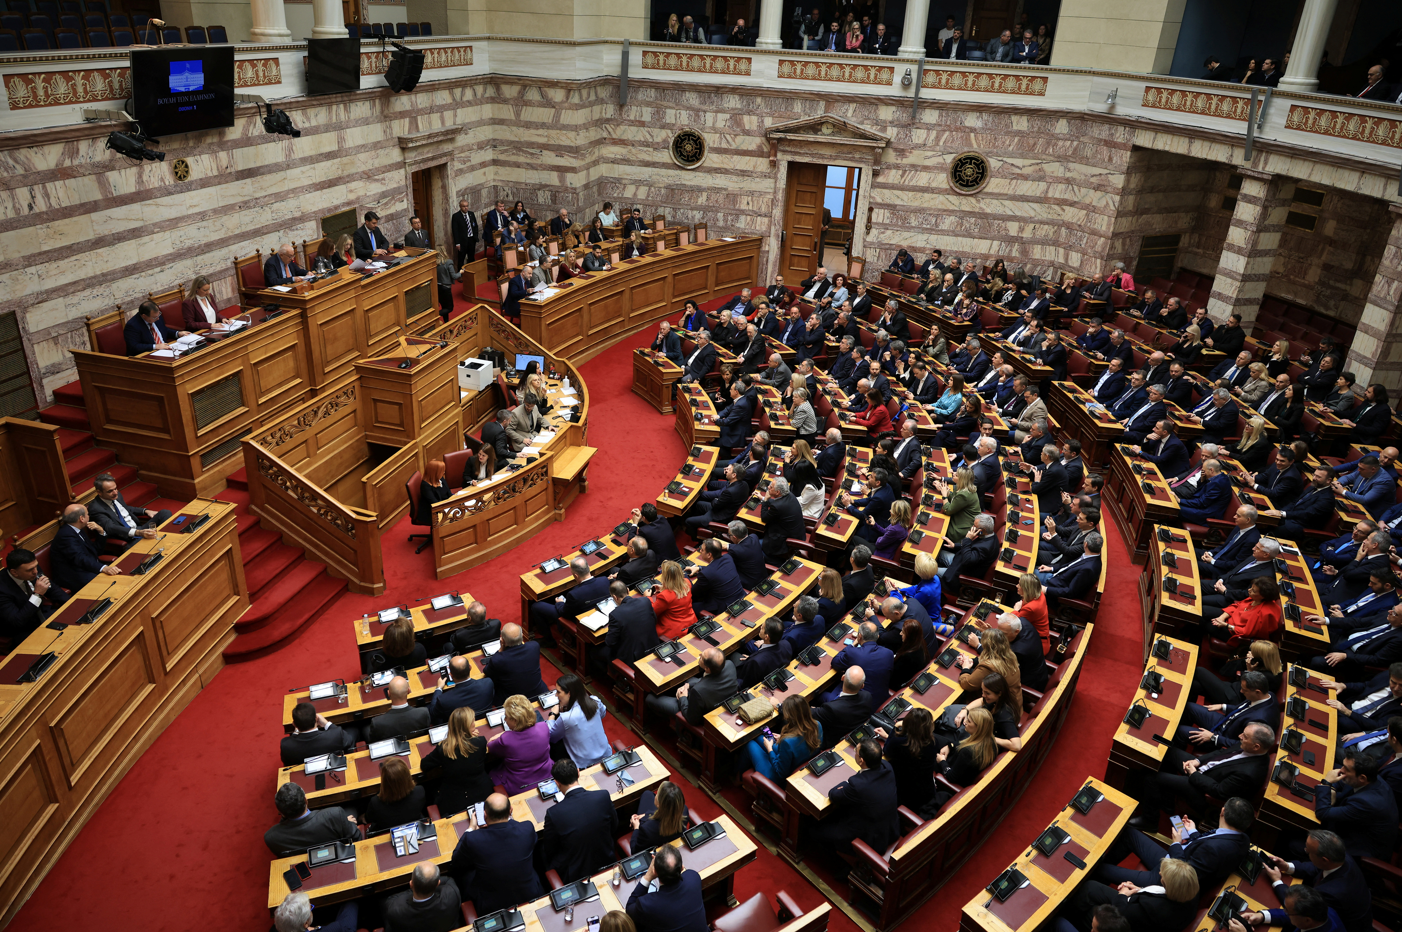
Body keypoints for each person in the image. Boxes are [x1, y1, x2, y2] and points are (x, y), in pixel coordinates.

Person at [1097, 795, 1254, 890]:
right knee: (1129, 833)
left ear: (1222, 811)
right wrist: (1193, 832)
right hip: (1174, 858)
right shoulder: (1243, 838)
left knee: (1098, 868)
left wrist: (1177, 843)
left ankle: (1098, 876)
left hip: (1167, 878)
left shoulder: (1214, 849)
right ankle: (1103, 877)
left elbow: (1183, 875)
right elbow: (1202, 852)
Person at [447, 791, 543, 914]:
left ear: (484, 815)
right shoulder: (526, 828)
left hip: (490, 904)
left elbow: (456, 862)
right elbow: (534, 842)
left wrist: (471, 828)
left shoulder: (473, 839)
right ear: (510, 811)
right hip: (529, 893)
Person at [810, 737, 901, 854]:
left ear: (861, 760)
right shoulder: (886, 767)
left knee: (814, 829)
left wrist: (845, 784)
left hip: (869, 839)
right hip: (890, 829)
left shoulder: (858, 786)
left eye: (856, 752)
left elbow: (833, 795)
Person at [539, 756, 617, 882]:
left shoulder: (553, 813)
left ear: (556, 783)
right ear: (578, 772)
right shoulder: (602, 796)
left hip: (575, 873)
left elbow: (550, 849)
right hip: (607, 858)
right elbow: (614, 826)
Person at [1314, 749, 1398, 859]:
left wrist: (1326, 784)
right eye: (1343, 765)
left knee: (1295, 843)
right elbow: (1341, 783)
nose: (1341, 771)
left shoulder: (1367, 803)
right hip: (1351, 826)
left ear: (1362, 778)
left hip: (1354, 850)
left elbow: (1322, 813)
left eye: (1346, 769)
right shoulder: (1370, 778)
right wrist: (1333, 789)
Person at [420, 705, 492, 815]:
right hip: (482, 793)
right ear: (468, 725)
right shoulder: (480, 742)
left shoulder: (444, 748)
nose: (475, 723)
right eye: (473, 721)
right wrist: (471, 738)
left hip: (453, 799)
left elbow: (424, 764)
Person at [626, 844, 708, 932]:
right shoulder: (693, 877)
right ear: (682, 867)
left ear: (654, 871)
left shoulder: (648, 904)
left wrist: (648, 877)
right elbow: (686, 875)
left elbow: (630, 908)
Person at [645, 646, 737, 725]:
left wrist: (683, 697)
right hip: (716, 699)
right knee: (688, 680)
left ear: (707, 668)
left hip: (701, 715)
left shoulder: (698, 691)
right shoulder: (729, 665)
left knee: (650, 698)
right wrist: (688, 685)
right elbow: (708, 680)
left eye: (702, 657)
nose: (700, 655)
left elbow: (692, 719)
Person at [263, 782, 359, 855]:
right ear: (306, 800)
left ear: (281, 812)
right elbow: (357, 837)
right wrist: (346, 823)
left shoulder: (271, 837)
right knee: (352, 808)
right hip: (339, 854)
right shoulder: (335, 814)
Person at [743, 693, 823, 781]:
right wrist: (783, 737)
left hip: (779, 775)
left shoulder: (787, 742)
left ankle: (737, 777)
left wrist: (770, 749)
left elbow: (780, 772)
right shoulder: (817, 724)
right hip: (798, 762)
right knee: (759, 738)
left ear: (789, 716)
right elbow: (800, 740)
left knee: (750, 743)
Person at [875, 706, 938, 813]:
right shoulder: (932, 741)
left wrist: (895, 729)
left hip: (905, 794)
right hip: (927, 790)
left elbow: (887, 750)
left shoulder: (900, 742)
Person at [485, 694, 551, 794]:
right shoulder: (544, 727)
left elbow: (490, 746)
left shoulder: (506, 739)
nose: (505, 720)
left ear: (515, 720)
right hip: (546, 775)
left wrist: (502, 733)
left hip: (519, 784)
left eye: (506, 717)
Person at [49, 503, 122, 593]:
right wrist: (103, 568)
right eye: (87, 514)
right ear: (81, 518)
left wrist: (101, 531)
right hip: (74, 575)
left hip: (86, 568)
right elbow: (80, 559)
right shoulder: (65, 536)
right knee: (111, 587)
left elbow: (95, 551)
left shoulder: (78, 530)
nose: (89, 516)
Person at [547, 673, 610, 768]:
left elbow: (552, 737)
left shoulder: (566, 718)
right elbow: (602, 713)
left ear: (569, 693)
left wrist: (552, 715)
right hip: (607, 756)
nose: (556, 695)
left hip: (584, 765)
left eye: (558, 692)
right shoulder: (595, 701)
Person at [382, 862, 462, 932]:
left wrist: (416, 887)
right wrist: (429, 881)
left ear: (411, 884)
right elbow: (448, 880)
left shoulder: (395, 909)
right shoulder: (452, 894)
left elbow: (390, 899)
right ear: (438, 884)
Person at [1228, 885, 1344, 932]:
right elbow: (1294, 914)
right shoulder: (1324, 911)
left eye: (1287, 912)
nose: (1285, 913)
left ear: (1307, 920)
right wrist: (1262, 916)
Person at [280, 701, 354, 767]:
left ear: (294, 724)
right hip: (334, 769)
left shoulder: (286, 745)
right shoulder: (336, 735)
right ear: (316, 718)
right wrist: (326, 724)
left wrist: (295, 733)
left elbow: (287, 763)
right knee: (354, 729)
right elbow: (349, 740)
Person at [364, 756, 427, 832]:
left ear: (385, 781)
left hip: (385, 832)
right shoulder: (420, 791)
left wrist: (361, 818)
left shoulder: (375, 803)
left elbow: (369, 819)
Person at [629, 780, 691, 852]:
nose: (656, 795)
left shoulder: (646, 829)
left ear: (659, 805)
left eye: (657, 794)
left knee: (647, 795)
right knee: (647, 794)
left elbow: (634, 851)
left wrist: (636, 827)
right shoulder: (684, 810)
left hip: (657, 850)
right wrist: (646, 814)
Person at [367, 676, 430, 741]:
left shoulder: (377, 723)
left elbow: (373, 743)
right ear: (409, 690)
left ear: (388, 693)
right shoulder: (423, 713)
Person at [273, 893, 358, 932]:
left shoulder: (275, 929)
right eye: (310, 908)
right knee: (351, 904)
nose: (311, 906)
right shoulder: (334, 928)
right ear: (306, 924)